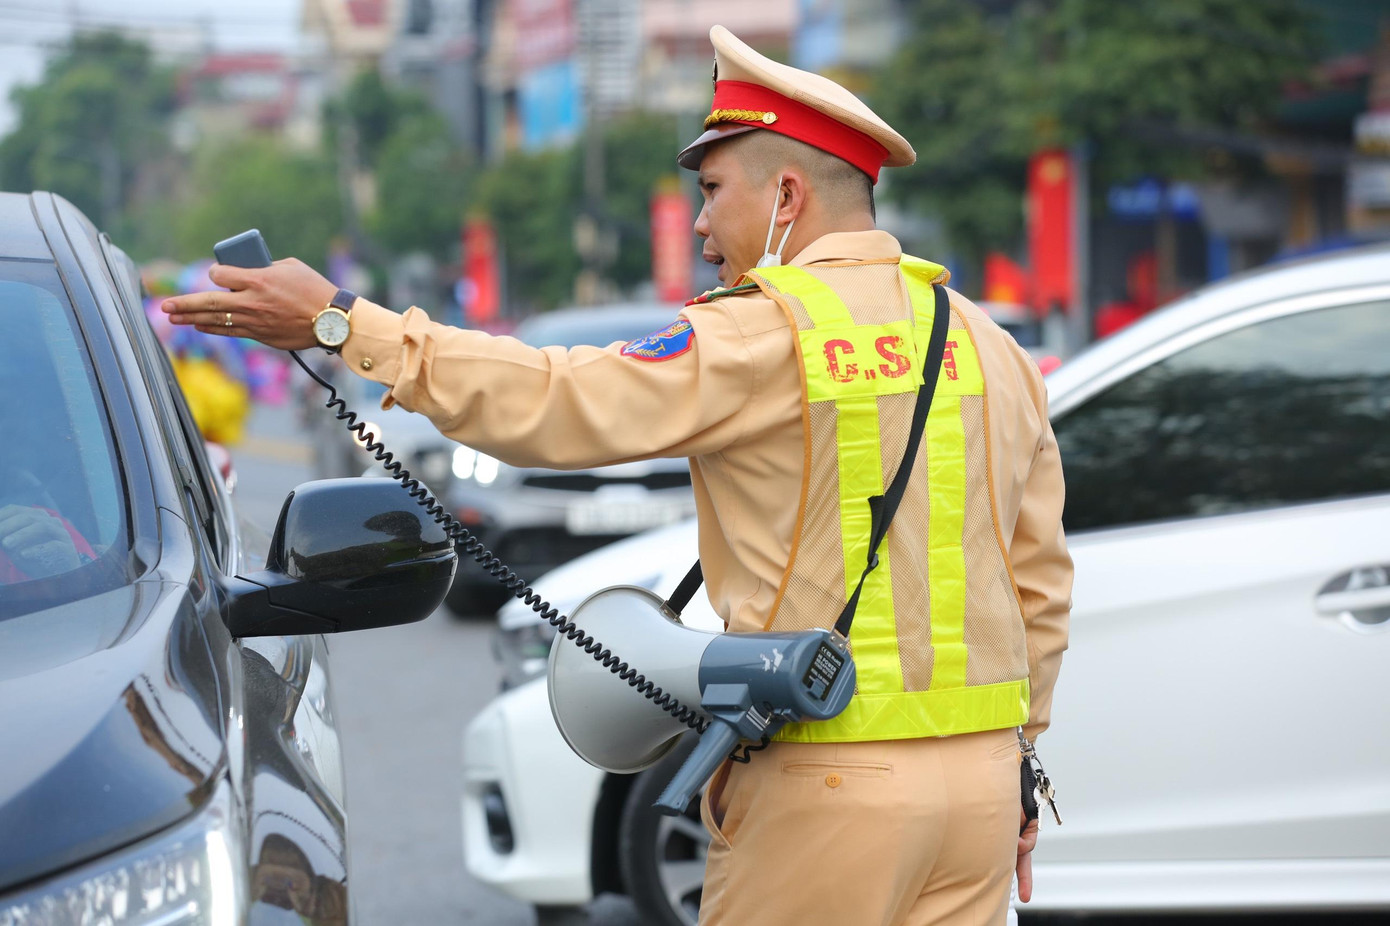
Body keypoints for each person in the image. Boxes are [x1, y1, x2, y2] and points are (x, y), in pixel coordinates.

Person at [162, 25, 1071, 926]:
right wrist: (1018, 769)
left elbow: (555, 400)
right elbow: (1037, 587)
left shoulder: (764, 333)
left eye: (714, 191)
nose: (704, 224)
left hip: (828, 782)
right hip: (983, 794)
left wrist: (340, 325)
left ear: (788, 195)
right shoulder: (987, 345)